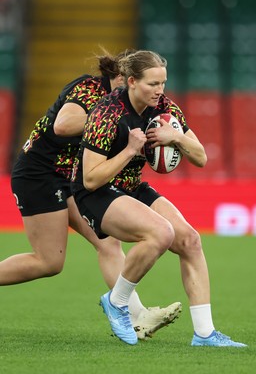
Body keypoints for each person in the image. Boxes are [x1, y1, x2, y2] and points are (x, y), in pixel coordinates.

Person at [1, 49, 182, 340]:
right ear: (122, 77)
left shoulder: (124, 105)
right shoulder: (88, 89)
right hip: (40, 173)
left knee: (107, 241)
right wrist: (108, 120)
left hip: (71, 176)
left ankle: (136, 316)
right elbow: (62, 125)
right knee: (49, 262)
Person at [71, 50, 247, 347]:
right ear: (131, 82)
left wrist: (175, 137)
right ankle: (117, 302)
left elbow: (201, 157)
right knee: (160, 233)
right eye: (153, 84)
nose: (160, 90)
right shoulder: (107, 112)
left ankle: (205, 334)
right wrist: (129, 150)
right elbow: (90, 178)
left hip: (129, 185)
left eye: (163, 83)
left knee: (190, 240)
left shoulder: (164, 109)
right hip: (94, 192)